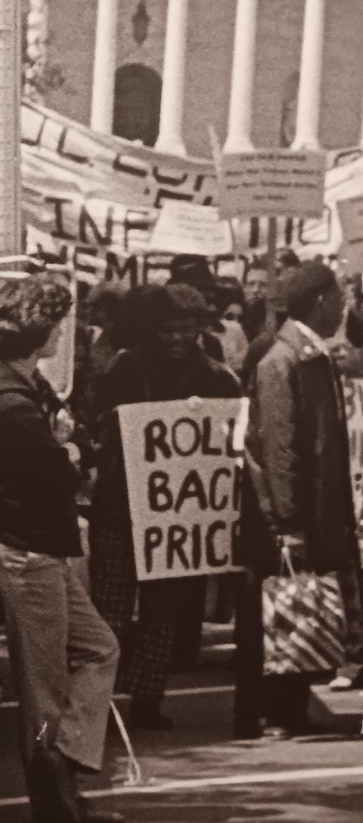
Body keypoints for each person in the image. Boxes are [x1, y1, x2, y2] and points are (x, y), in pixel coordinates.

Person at [0, 274, 123, 823]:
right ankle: (54, 787)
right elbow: (56, 474)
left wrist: (69, 447)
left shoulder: (9, 387)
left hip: (36, 546)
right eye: (56, 321)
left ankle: (67, 759)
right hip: (28, 549)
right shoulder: (13, 406)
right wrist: (74, 449)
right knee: (44, 687)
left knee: (98, 648)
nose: (62, 331)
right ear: (40, 330)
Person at [89, 284, 241, 730]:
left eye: (185, 329)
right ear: (153, 328)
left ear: (198, 328)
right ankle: (96, 705)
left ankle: (147, 701)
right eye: (167, 329)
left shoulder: (216, 377)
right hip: (120, 510)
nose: (176, 338)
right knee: (111, 614)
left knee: (162, 613)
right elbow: (98, 419)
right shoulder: (126, 369)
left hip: (175, 519)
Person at [240, 261, 363, 732]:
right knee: (283, 609)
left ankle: (292, 708)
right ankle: (275, 713)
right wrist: (288, 524)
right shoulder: (282, 360)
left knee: (305, 608)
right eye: (337, 298)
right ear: (319, 302)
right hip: (294, 517)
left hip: (319, 511)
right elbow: (280, 449)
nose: (343, 307)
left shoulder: (310, 356)